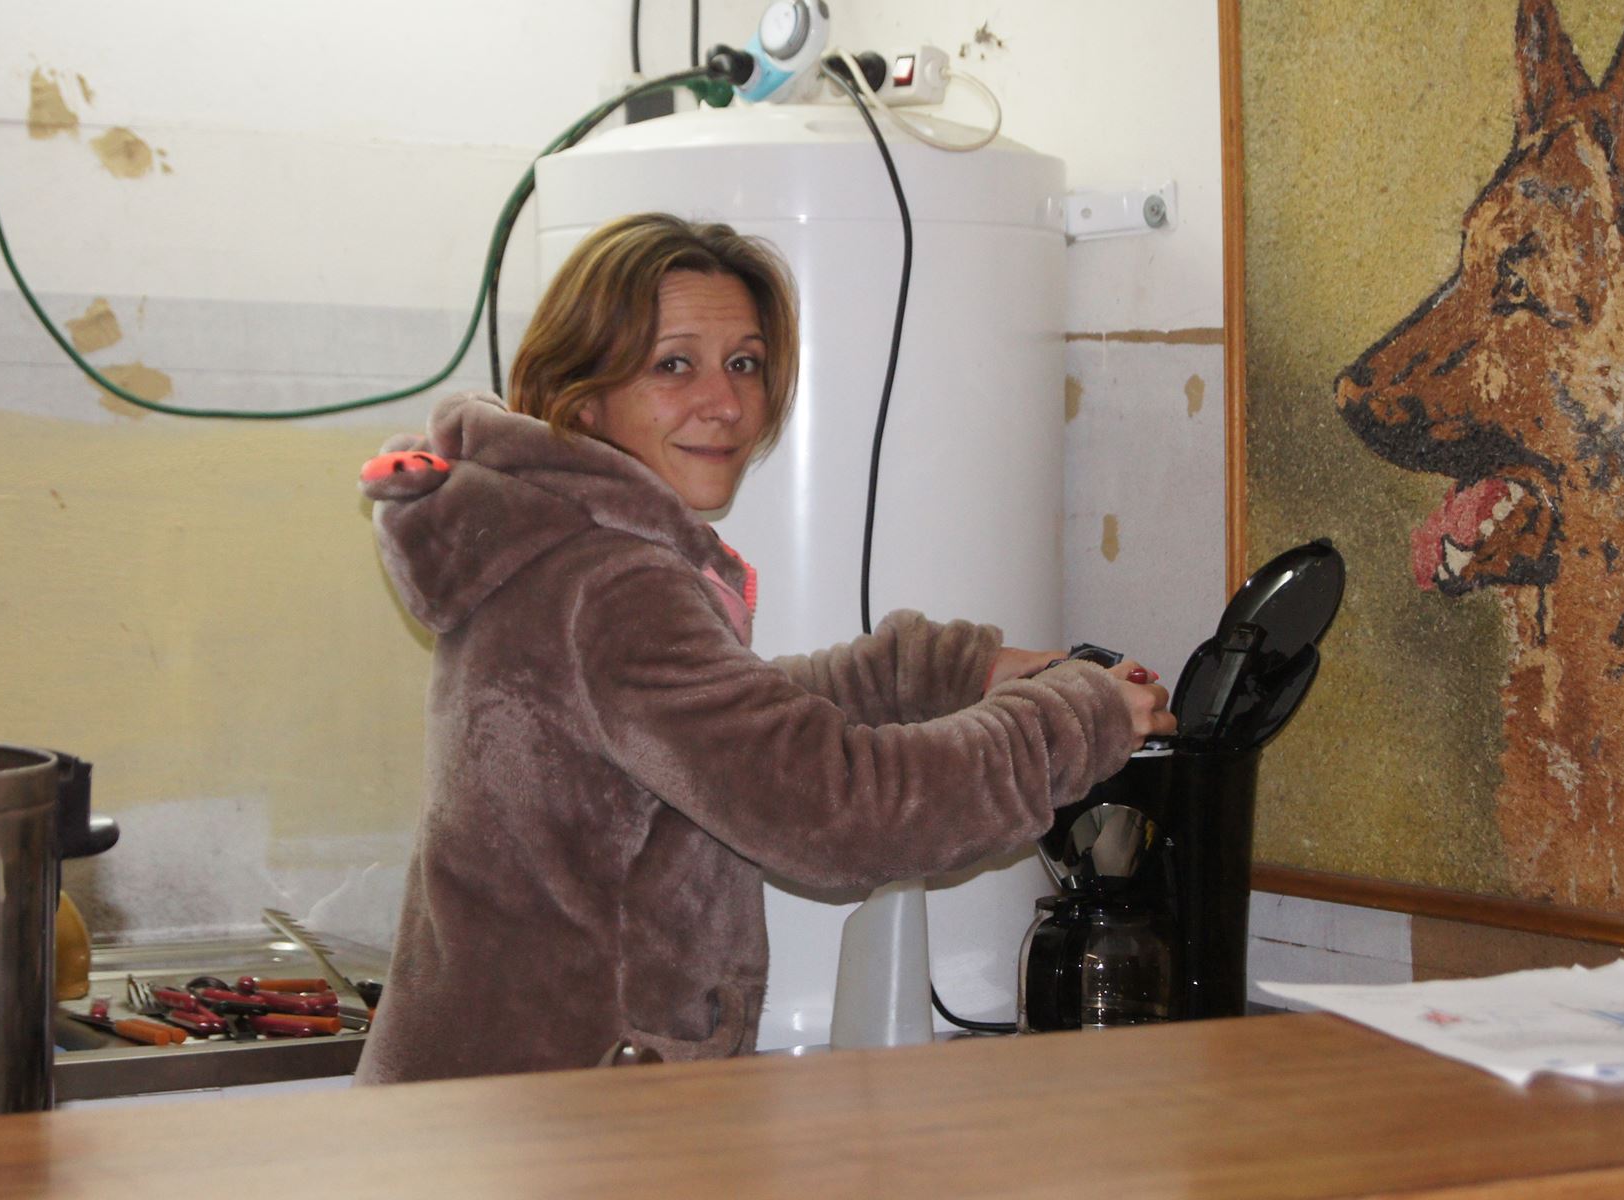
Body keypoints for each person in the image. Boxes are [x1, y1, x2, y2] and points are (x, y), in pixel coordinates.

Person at [353, 213, 1175, 1082]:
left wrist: (938, 672)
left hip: (483, 1106)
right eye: (675, 364)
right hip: (552, 1125)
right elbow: (837, 809)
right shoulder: (613, 585)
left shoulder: (556, 549)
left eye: (744, 362)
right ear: (581, 393)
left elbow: (718, 717)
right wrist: (1072, 721)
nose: (727, 403)